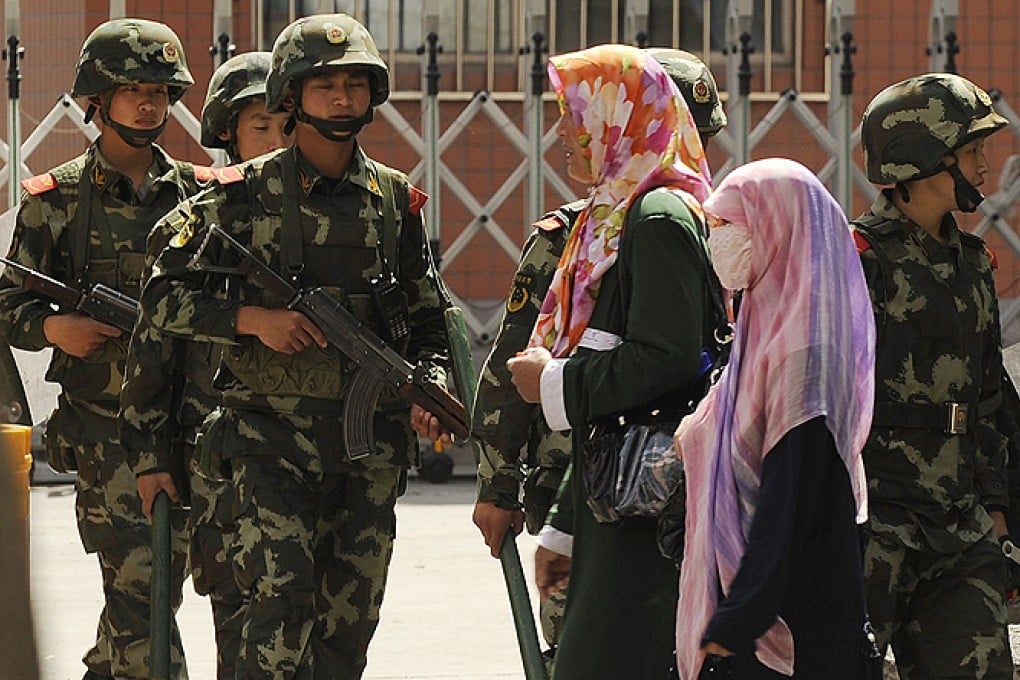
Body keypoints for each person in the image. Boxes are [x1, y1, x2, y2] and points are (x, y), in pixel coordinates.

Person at [138, 14, 453, 678]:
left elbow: (428, 320)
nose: (342, 99)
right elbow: (160, 298)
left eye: (354, 85)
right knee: (278, 622)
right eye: (325, 85)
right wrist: (250, 319)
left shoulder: (394, 202)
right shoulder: (238, 198)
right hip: (268, 446)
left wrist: (431, 384)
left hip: (367, 457)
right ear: (292, 95)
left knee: (348, 630)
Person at [470, 48, 728, 657]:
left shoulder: (657, 214)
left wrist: (554, 382)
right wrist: (558, 522)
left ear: (619, 119)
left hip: (649, 494)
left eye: (573, 115)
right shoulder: (615, 215)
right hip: (615, 486)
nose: (562, 132)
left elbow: (666, 359)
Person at [0, 19, 199, 680]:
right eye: (134, 89)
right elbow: (9, 302)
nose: (149, 104)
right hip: (104, 435)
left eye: (161, 91)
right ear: (98, 97)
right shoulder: (54, 204)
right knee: (145, 587)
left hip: (186, 427)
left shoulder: (202, 199)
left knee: (145, 593)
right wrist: (59, 329)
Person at [119, 50, 293, 680]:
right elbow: (154, 346)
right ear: (226, 133)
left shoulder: (336, 209)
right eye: (260, 128)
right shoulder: (206, 220)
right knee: (242, 629)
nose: (276, 141)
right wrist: (150, 454)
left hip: (313, 457)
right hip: (216, 459)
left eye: (285, 125)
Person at [674, 158, 878, 679]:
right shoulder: (764, 324)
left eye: (726, 225)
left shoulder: (803, 355)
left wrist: (743, 612)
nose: (715, 238)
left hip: (790, 613)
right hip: (770, 596)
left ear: (775, 229)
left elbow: (789, 491)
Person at [852, 73, 1016, 678]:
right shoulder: (856, 261)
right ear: (921, 159)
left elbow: (989, 394)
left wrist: (995, 504)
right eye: (972, 150)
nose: (986, 164)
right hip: (873, 527)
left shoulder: (974, 264)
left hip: (959, 529)